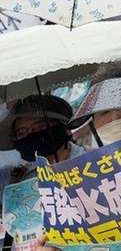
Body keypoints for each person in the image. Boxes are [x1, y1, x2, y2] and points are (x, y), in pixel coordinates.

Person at [0, 95, 84, 251]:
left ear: (64, 127)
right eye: (22, 132)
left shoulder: (93, 166)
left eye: (40, 127)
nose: (31, 135)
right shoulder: (14, 177)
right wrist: (7, 110)